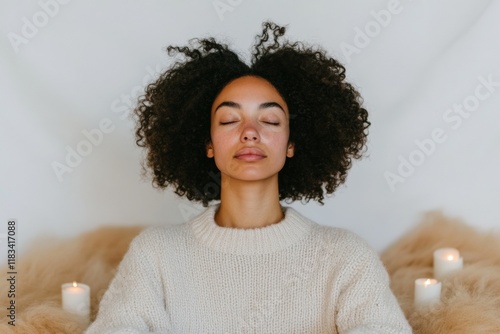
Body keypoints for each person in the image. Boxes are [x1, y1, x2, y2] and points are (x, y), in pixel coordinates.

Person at [86, 22, 412, 333]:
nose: (250, 133)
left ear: (292, 144)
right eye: (229, 120)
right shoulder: (155, 254)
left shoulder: (345, 256)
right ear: (209, 144)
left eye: (270, 120)